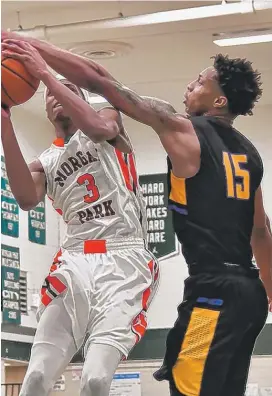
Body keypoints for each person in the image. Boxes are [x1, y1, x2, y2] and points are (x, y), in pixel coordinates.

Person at [2, 35, 272, 395]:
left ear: (219, 100)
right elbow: (260, 232)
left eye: (199, 83)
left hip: (200, 286)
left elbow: (101, 82)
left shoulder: (175, 128)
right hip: (247, 292)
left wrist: (38, 60)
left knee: (188, 388)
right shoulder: (249, 154)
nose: (188, 87)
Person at [1, 43, 159, 396]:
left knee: (95, 379)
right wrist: (5, 121)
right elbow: (26, 198)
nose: (56, 96)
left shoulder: (108, 125)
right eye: (49, 94)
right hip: (75, 259)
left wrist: (44, 73)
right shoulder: (46, 161)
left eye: (68, 90)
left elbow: (99, 128)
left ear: (82, 99)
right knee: (37, 378)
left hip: (124, 259)